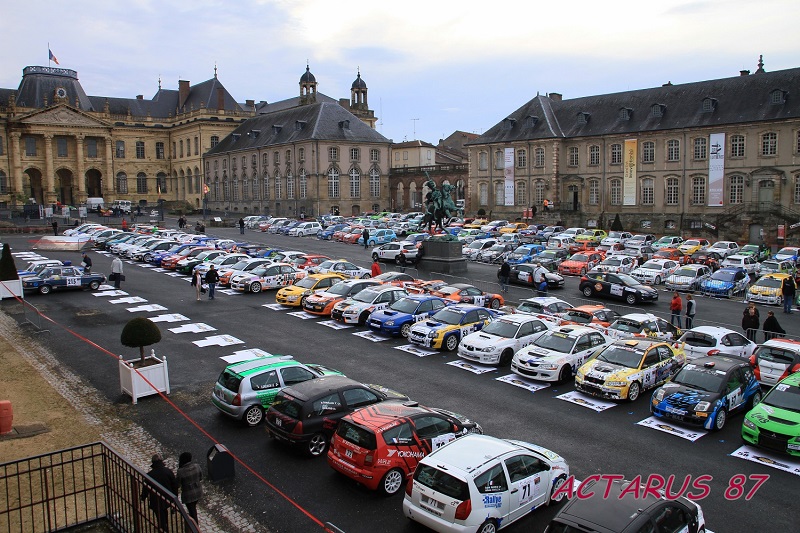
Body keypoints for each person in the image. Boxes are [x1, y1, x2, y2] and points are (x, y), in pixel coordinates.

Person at [141, 454, 177, 532]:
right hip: (166, 498)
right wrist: (174, 497)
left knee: (159, 515)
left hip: (155, 499)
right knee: (164, 512)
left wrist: (143, 497)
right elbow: (174, 485)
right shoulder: (168, 471)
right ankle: (165, 526)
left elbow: (145, 488)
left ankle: (163, 528)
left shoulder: (150, 475)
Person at [176, 451, 203, 526]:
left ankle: (195, 526)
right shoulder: (197, 466)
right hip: (198, 492)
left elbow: (178, 484)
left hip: (188, 495)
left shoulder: (180, 471)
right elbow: (200, 477)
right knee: (193, 509)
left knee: (192, 511)